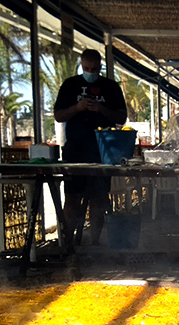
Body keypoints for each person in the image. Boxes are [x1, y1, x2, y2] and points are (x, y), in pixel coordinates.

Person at [54, 48, 128, 246]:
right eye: (87, 68)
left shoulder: (110, 87)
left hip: (102, 151)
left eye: (94, 69)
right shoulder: (70, 85)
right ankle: (67, 244)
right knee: (72, 199)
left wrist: (101, 108)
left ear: (100, 67)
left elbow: (121, 117)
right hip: (75, 150)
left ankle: (94, 242)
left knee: (99, 199)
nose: (90, 72)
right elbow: (59, 115)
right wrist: (77, 108)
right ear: (81, 65)